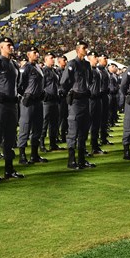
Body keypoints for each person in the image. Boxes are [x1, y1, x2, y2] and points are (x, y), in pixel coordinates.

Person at [0, 36, 25, 181]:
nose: (11, 47)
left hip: (12, 105)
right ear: (1, 48)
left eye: (12, 45)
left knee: (10, 137)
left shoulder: (14, 64)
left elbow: (17, 84)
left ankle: (9, 169)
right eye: (8, 45)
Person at [59, 40, 94, 170]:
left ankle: (81, 160)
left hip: (85, 100)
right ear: (78, 49)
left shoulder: (87, 64)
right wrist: (70, 93)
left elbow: (90, 80)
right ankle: (71, 160)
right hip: (75, 102)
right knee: (73, 130)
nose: (86, 50)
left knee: (84, 130)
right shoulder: (72, 64)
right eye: (84, 48)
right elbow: (64, 82)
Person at [17, 45, 48, 165]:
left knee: (37, 129)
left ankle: (34, 155)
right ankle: (22, 156)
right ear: (28, 55)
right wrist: (25, 94)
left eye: (37, 52)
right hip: (28, 102)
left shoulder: (38, 67)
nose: (37, 54)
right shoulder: (26, 68)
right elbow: (19, 84)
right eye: (34, 52)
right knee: (25, 127)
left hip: (38, 101)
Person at [41, 51, 63, 152]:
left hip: (55, 100)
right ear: (45, 60)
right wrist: (44, 94)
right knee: (44, 123)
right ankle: (41, 144)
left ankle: (53, 143)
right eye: (51, 58)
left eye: (53, 58)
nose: (53, 60)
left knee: (54, 123)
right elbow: (42, 85)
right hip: (47, 101)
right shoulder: (43, 71)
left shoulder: (54, 71)